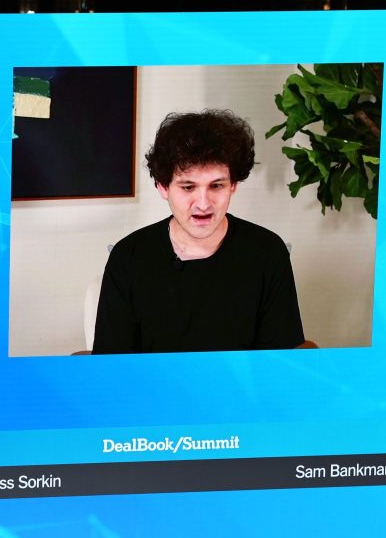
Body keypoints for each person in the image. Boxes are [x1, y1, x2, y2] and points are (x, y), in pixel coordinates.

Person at [93, 109, 305, 354]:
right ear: (163, 186)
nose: (203, 204)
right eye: (188, 187)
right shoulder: (128, 256)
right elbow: (112, 366)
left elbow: (275, 363)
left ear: (233, 185)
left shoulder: (267, 252)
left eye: (216, 186)